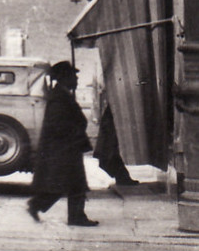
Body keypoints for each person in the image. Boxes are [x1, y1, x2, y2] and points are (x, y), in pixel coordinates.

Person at [27, 61, 97, 226]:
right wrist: (74, 134)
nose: (77, 79)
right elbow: (57, 125)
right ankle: (71, 215)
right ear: (65, 77)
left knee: (71, 184)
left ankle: (72, 215)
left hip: (67, 148)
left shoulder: (62, 95)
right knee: (69, 184)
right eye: (74, 76)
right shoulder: (59, 98)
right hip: (63, 149)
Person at [95, 100, 139, 188]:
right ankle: (122, 177)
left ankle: (122, 177)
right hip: (111, 133)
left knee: (111, 153)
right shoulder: (114, 108)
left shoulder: (112, 107)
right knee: (111, 153)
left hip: (110, 133)